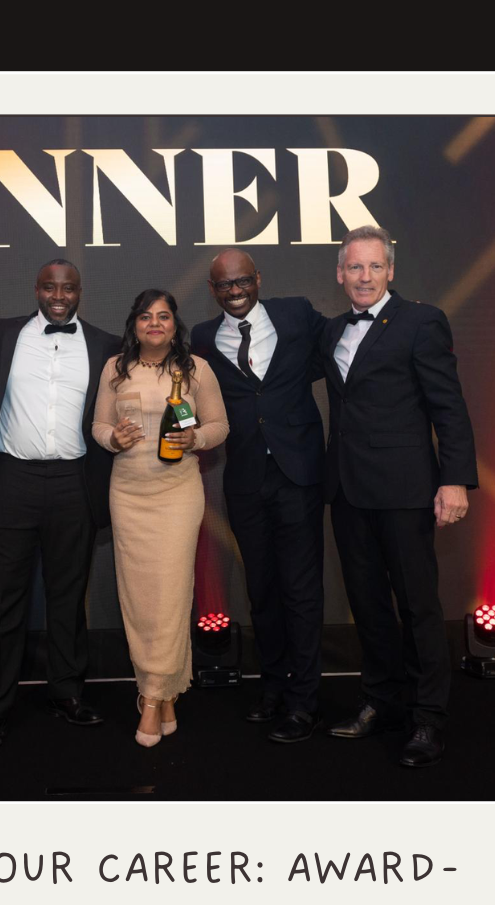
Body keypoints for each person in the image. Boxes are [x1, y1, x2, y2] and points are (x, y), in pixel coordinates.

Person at [320, 225, 478, 767]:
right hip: (347, 490)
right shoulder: (333, 330)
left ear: (391, 271)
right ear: (340, 274)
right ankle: (380, 702)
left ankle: (428, 718)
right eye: (354, 267)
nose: (364, 277)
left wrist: (454, 478)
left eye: (374, 267)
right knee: (366, 604)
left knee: (418, 606)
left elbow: (448, 406)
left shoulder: (420, 321)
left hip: (405, 490)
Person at [0, 260, 120, 753]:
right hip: (12, 479)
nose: (59, 295)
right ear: (36, 290)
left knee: (67, 598)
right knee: (2, 601)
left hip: (75, 482)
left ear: (80, 292)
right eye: (50, 287)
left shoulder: (105, 345)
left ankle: (68, 694)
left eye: (68, 287)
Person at [190, 249, 329, 744]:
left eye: (242, 281)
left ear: (258, 280)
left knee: (301, 590)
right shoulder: (203, 339)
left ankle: (304, 701)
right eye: (225, 285)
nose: (235, 291)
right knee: (262, 590)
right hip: (245, 480)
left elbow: (338, 349)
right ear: (213, 289)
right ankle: (273, 688)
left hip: (299, 475)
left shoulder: (296, 313)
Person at [92, 290, 229, 746]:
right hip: (129, 494)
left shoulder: (196, 370)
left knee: (170, 595)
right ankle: (165, 690)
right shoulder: (115, 368)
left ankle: (150, 696)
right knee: (138, 596)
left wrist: (195, 440)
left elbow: (219, 426)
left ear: (175, 325)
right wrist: (114, 436)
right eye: (146, 316)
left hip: (177, 495)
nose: (155, 324)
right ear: (134, 324)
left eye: (164, 316)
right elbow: (97, 427)